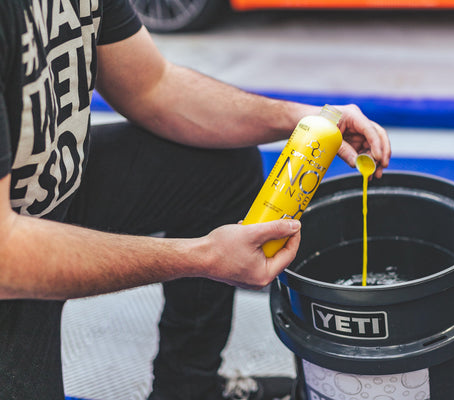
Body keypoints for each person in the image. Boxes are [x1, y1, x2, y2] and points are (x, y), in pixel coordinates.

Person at [0, 1, 391, 399]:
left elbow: (155, 87)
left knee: (222, 168)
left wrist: (310, 119)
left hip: (48, 189)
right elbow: (5, 255)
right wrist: (201, 257)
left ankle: (187, 389)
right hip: (9, 256)